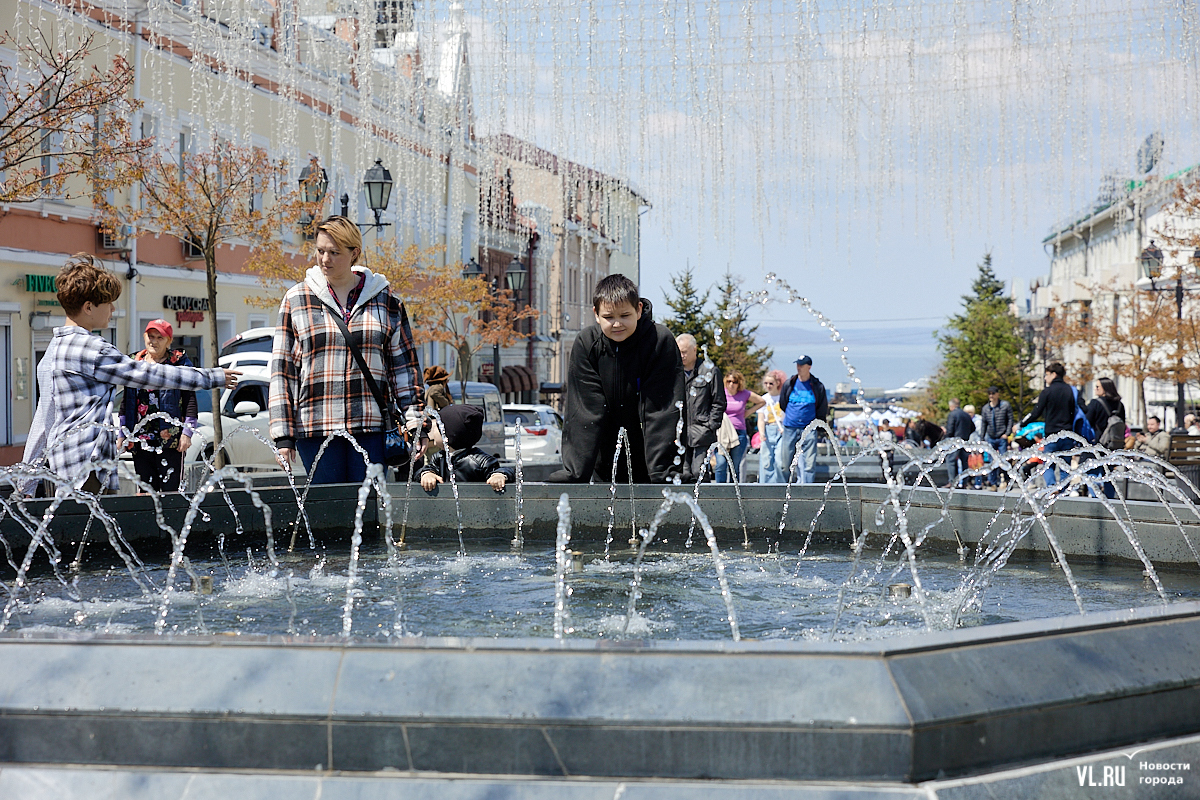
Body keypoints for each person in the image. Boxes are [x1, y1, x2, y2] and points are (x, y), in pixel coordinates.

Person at [22, 254, 236, 495]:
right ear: (89, 307)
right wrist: (211, 377)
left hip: (61, 468)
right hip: (87, 470)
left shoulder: (53, 349)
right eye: (108, 303)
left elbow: (43, 419)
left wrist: (26, 483)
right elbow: (149, 375)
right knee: (99, 530)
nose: (113, 309)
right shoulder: (92, 349)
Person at [270, 215, 421, 484]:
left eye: (334, 253)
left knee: (370, 513)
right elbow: (283, 372)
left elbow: (404, 368)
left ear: (354, 254)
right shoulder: (297, 300)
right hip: (316, 428)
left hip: (372, 426)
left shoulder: (386, 301)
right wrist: (283, 434)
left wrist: (415, 422)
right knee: (329, 515)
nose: (324, 259)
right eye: (320, 251)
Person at [551, 274, 684, 483]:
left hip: (650, 457)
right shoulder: (587, 344)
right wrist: (576, 473)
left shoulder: (659, 341)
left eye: (625, 315)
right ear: (596, 315)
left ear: (639, 310)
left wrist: (662, 473)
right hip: (604, 459)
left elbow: (662, 411)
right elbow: (584, 411)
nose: (617, 324)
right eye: (609, 317)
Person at [119, 319, 199, 492]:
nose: (153, 341)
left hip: (170, 440)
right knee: (146, 492)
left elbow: (190, 400)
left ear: (169, 341)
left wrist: (187, 433)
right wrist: (122, 432)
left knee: (171, 492)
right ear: (144, 337)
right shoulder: (135, 362)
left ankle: (172, 519)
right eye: (150, 336)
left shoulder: (178, 363)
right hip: (141, 440)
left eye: (159, 338)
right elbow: (126, 401)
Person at [1018, 362, 1086, 487]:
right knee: (1065, 466)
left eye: (1047, 375)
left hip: (1052, 435)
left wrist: (1021, 424)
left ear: (1054, 374)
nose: (1045, 378)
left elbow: (1035, 412)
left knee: (1048, 465)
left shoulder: (1047, 392)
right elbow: (1084, 409)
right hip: (1068, 434)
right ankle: (1063, 491)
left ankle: (1051, 487)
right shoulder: (1072, 391)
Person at [418, 404, 514, 492]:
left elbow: (506, 470)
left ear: (447, 436)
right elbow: (422, 470)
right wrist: (427, 474)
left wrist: (499, 475)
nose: (431, 431)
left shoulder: (479, 461)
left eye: (435, 428)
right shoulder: (439, 457)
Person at [676, 333, 725, 482]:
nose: (681, 355)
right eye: (679, 352)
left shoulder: (709, 371)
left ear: (695, 350)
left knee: (699, 473)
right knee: (682, 474)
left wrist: (711, 426)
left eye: (684, 351)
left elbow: (719, 402)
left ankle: (704, 503)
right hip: (680, 434)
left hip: (703, 431)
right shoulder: (674, 372)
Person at [779, 356, 829, 484]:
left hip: (809, 428)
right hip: (790, 427)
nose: (798, 367)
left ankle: (807, 490)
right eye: (797, 364)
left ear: (809, 367)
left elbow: (822, 407)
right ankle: (784, 488)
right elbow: (783, 403)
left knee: (809, 463)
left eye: (802, 365)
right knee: (785, 463)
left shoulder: (817, 386)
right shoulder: (790, 383)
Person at [713, 371, 765, 483]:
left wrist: (748, 412)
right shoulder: (721, 393)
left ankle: (733, 492)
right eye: (729, 381)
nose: (732, 384)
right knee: (721, 464)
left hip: (739, 432)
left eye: (735, 382)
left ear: (739, 383)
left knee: (735, 466)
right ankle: (718, 491)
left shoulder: (744, 394)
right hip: (723, 433)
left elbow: (761, 401)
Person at [1085, 376, 1126, 498]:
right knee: (1108, 472)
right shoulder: (1120, 405)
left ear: (1105, 389)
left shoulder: (1095, 403)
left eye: (1098, 387)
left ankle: (1098, 498)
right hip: (1113, 444)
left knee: (1091, 472)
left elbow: (1088, 422)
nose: (1095, 389)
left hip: (1097, 442)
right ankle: (1110, 498)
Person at [756, 369, 787, 483]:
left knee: (780, 461)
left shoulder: (784, 397)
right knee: (766, 461)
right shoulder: (763, 399)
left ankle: (779, 486)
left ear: (778, 383)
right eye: (766, 383)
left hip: (781, 430)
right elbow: (760, 419)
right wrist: (762, 433)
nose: (768, 386)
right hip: (768, 429)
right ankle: (765, 486)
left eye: (771, 383)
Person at [980, 386, 1013, 490]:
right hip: (991, 437)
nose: (991, 396)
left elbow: (1010, 420)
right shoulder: (985, 408)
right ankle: (993, 483)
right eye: (989, 394)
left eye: (993, 393)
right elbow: (984, 423)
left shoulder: (1005, 405)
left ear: (998, 394)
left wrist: (1007, 433)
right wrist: (982, 438)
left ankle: (1007, 480)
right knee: (991, 461)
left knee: (1004, 460)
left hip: (1001, 436)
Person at [943, 399, 975, 488]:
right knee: (964, 462)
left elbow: (950, 430)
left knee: (951, 461)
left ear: (951, 406)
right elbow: (973, 427)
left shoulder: (952, 414)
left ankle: (952, 482)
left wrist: (946, 439)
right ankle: (965, 482)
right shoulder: (966, 415)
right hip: (965, 441)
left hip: (955, 441)